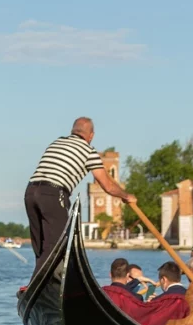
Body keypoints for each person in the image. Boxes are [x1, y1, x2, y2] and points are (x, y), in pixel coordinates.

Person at [25, 117, 134, 274]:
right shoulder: (89, 152)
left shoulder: (57, 143)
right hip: (53, 194)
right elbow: (108, 186)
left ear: (72, 131)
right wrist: (126, 196)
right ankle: (43, 284)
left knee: (41, 245)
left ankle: (39, 284)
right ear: (91, 136)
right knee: (56, 244)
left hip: (31, 192)